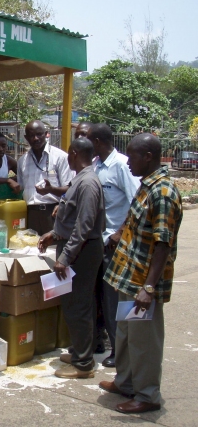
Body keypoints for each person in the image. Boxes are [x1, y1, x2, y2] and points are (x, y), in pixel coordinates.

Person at [99, 133, 183, 414]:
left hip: (141, 284)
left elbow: (163, 243)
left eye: (133, 156)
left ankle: (147, 395)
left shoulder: (163, 192)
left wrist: (148, 288)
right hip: (128, 277)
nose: (128, 161)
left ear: (148, 157)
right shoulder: (147, 186)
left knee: (144, 339)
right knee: (125, 333)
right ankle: (126, 382)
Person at [38, 137, 105, 379]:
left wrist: (65, 256)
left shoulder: (87, 183)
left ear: (74, 154)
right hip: (76, 248)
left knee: (79, 305)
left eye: (69, 154)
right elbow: (71, 220)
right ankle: (79, 351)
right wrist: (54, 235)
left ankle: (83, 364)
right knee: (74, 303)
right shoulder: (80, 180)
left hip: (83, 252)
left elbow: (84, 226)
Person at [86, 123, 140, 368]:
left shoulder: (122, 166)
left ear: (98, 141)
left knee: (115, 300)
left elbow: (137, 203)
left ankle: (122, 352)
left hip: (116, 244)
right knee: (104, 299)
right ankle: (114, 347)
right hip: (100, 241)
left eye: (88, 140)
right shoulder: (97, 166)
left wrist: (120, 232)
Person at [17, 120, 73, 236]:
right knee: (32, 250)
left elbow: (69, 188)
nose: (36, 138)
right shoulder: (22, 161)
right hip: (30, 214)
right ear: (26, 138)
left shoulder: (60, 157)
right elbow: (21, 188)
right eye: (31, 136)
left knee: (53, 250)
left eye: (39, 134)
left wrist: (61, 204)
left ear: (46, 134)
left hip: (53, 212)